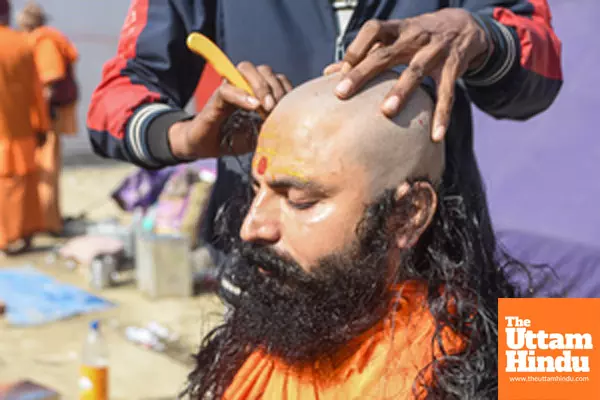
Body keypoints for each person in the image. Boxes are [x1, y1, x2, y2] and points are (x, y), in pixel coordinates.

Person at [87, 1, 562, 278]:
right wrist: (183, 136)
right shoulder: (257, 229)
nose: (256, 221)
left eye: (302, 199)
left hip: (435, 270)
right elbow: (118, 94)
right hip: (267, 280)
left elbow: (541, 64)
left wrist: (483, 38)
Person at [185, 72, 518, 399]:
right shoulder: (258, 338)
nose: (251, 227)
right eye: (256, 191)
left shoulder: (527, 352)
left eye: (300, 201)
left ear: (407, 215)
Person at [18, 1, 79, 236]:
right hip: (45, 116)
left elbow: (49, 81)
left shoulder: (45, 42)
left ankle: (48, 222)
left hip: (48, 118)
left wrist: (41, 117)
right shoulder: (43, 39)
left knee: (46, 169)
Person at [0, 0, 49, 253]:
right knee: (25, 183)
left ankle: (6, 236)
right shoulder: (22, 43)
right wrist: (41, 124)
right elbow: (36, 90)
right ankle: (24, 232)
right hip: (22, 129)